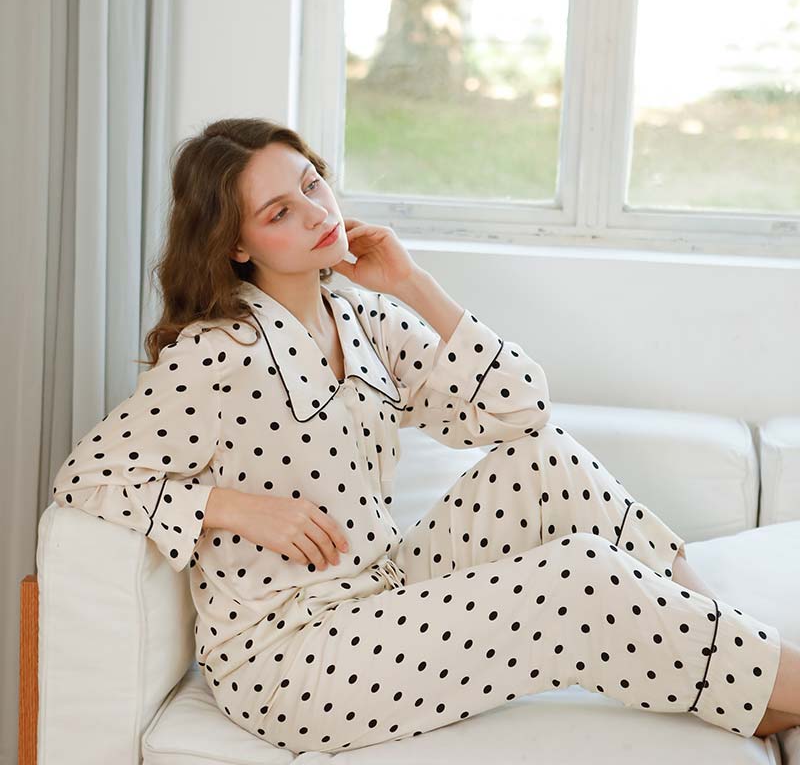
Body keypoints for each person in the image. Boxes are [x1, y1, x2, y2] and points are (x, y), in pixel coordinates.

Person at [51, 118, 800, 754]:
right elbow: (87, 477)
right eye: (279, 212)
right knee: (576, 578)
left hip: (385, 587)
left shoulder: (363, 318)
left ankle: (738, 656)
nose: (315, 213)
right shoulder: (217, 353)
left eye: (312, 185)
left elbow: (524, 411)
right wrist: (238, 508)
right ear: (236, 246)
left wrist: (411, 283)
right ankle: (769, 681)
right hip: (292, 661)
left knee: (546, 463)